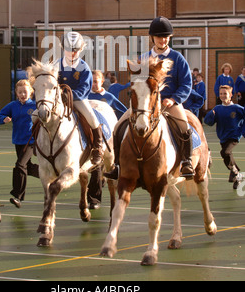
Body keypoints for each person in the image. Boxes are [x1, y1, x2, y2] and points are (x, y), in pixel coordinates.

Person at [105, 16, 194, 181]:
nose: (163, 39)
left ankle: (186, 162)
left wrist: (174, 99)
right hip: (146, 104)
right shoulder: (143, 59)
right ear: (152, 38)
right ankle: (117, 165)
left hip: (169, 102)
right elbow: (136, 83)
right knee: (118, 127)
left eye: (166, 36)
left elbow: (186, 84)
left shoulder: (178, 58)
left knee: (184, 126)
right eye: (159, 36)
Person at [57, 31, 103, 166]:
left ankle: (97, 148)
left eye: (75, 50)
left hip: (78, 99)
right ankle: (36, 142)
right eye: (68, 49)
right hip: (58, 100)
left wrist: (69, 95)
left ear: (81, 49)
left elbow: (84, 89)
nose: (72, 53)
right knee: (37, 115)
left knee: (92, 118)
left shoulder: (84, 67)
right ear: (63, 49)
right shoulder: (56, 65)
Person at [87, 70, 127, 209]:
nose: (93, 84)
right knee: (95, 168)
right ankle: (94, 197)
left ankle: (94, 199)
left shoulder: (108, 97)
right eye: (91, 82)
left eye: (96, 81)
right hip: (89, 136)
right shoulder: (86, 96)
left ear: (102, 81)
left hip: (106, 137)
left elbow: (123, 111)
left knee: (98, 167)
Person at [0, 79, 38, 208]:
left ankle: (18, 196)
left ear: (30, 92)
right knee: (27, 167)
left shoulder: (35, 105)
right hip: (18, 141)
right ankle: (49, 174)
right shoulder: (13, 105)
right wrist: (4, 119)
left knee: (20, 165)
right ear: (16, 93)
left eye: (25, 92)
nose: (22, 95)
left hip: (30, 141)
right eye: (20, 92)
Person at [204, 85, 244, 189]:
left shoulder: (236, 108)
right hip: (223, 137)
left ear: (230, 95)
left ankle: (235, 172)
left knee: (225, 152)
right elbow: (208, 122)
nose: (222, 95)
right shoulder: (217, 108)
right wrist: (210, 115)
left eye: (225, 93)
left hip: (234, 136)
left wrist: (242, 130)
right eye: (221, 93)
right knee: (227, 154)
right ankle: (235, 174)